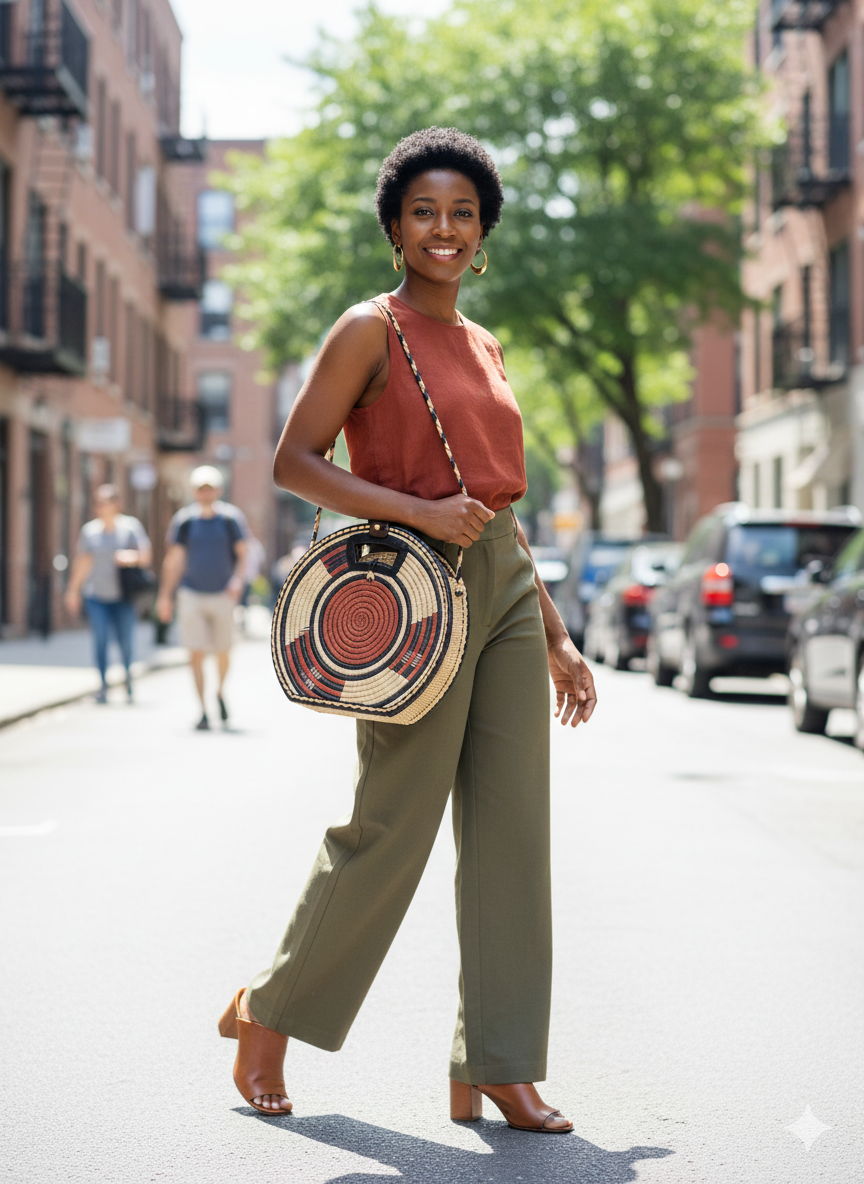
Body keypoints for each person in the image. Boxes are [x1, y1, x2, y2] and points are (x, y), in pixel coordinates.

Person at [218, 128, 597, 1133]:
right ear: (396, 227)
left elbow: (502, 506)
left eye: (463, 214)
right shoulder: (367, 329)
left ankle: (499, 1061)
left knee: (515, 830)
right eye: (425, 211)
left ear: (484, 235)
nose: (444, 229)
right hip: (411, 592)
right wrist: (417, 510)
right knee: (393, 821)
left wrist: (555, 631)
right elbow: (295, 461)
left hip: (506, 584)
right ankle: (271, 1007)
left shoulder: (485, 342)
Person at [157, 466, 249, 730]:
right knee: (195, 653)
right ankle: (202, 710)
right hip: (191, 593)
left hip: (223, 594)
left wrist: (238, 580)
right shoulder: (184, 522)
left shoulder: (231, 520)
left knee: (223, 652)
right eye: (200, 488)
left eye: (209, 488)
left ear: (218, 490)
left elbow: (244, 553)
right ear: (194, 492)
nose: (205, 493)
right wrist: (165, 596)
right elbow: (173, 560)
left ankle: (219, 692)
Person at [64, 484, 152, 704]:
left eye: (106, 502)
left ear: (116, 504)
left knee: (126, 642)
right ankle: (103, 686)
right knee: (100, 640)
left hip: (123, 596)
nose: (101, 506)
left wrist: (128, 557)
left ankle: (128, 681)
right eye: (98, 502)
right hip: (96, 595)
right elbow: (83, 562)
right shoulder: (90, 531)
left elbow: (145, 556)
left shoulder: (130, 527)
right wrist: (73, 590)